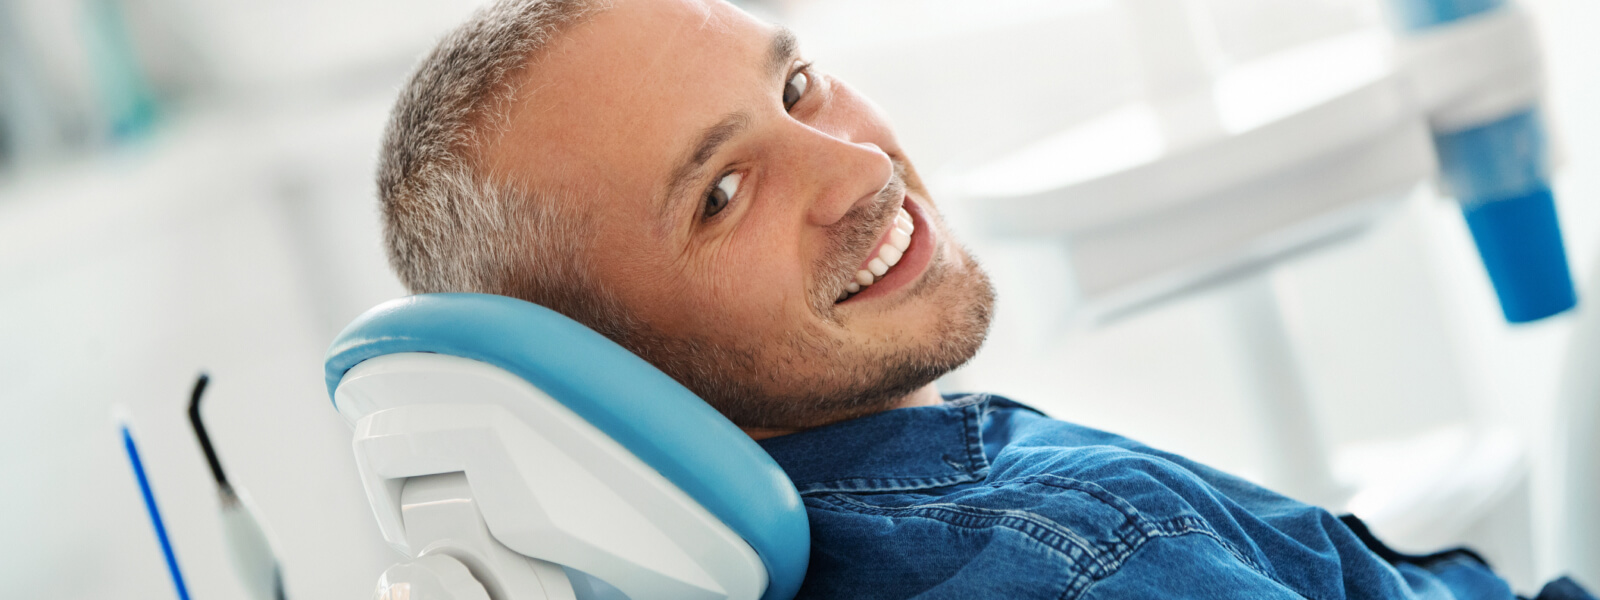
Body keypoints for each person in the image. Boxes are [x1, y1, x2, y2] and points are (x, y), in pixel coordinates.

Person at [372, 0, 1594, 597]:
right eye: (723, 192)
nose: (857, 166)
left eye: (798, 87)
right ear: (598, 366)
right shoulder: (1078, 562)